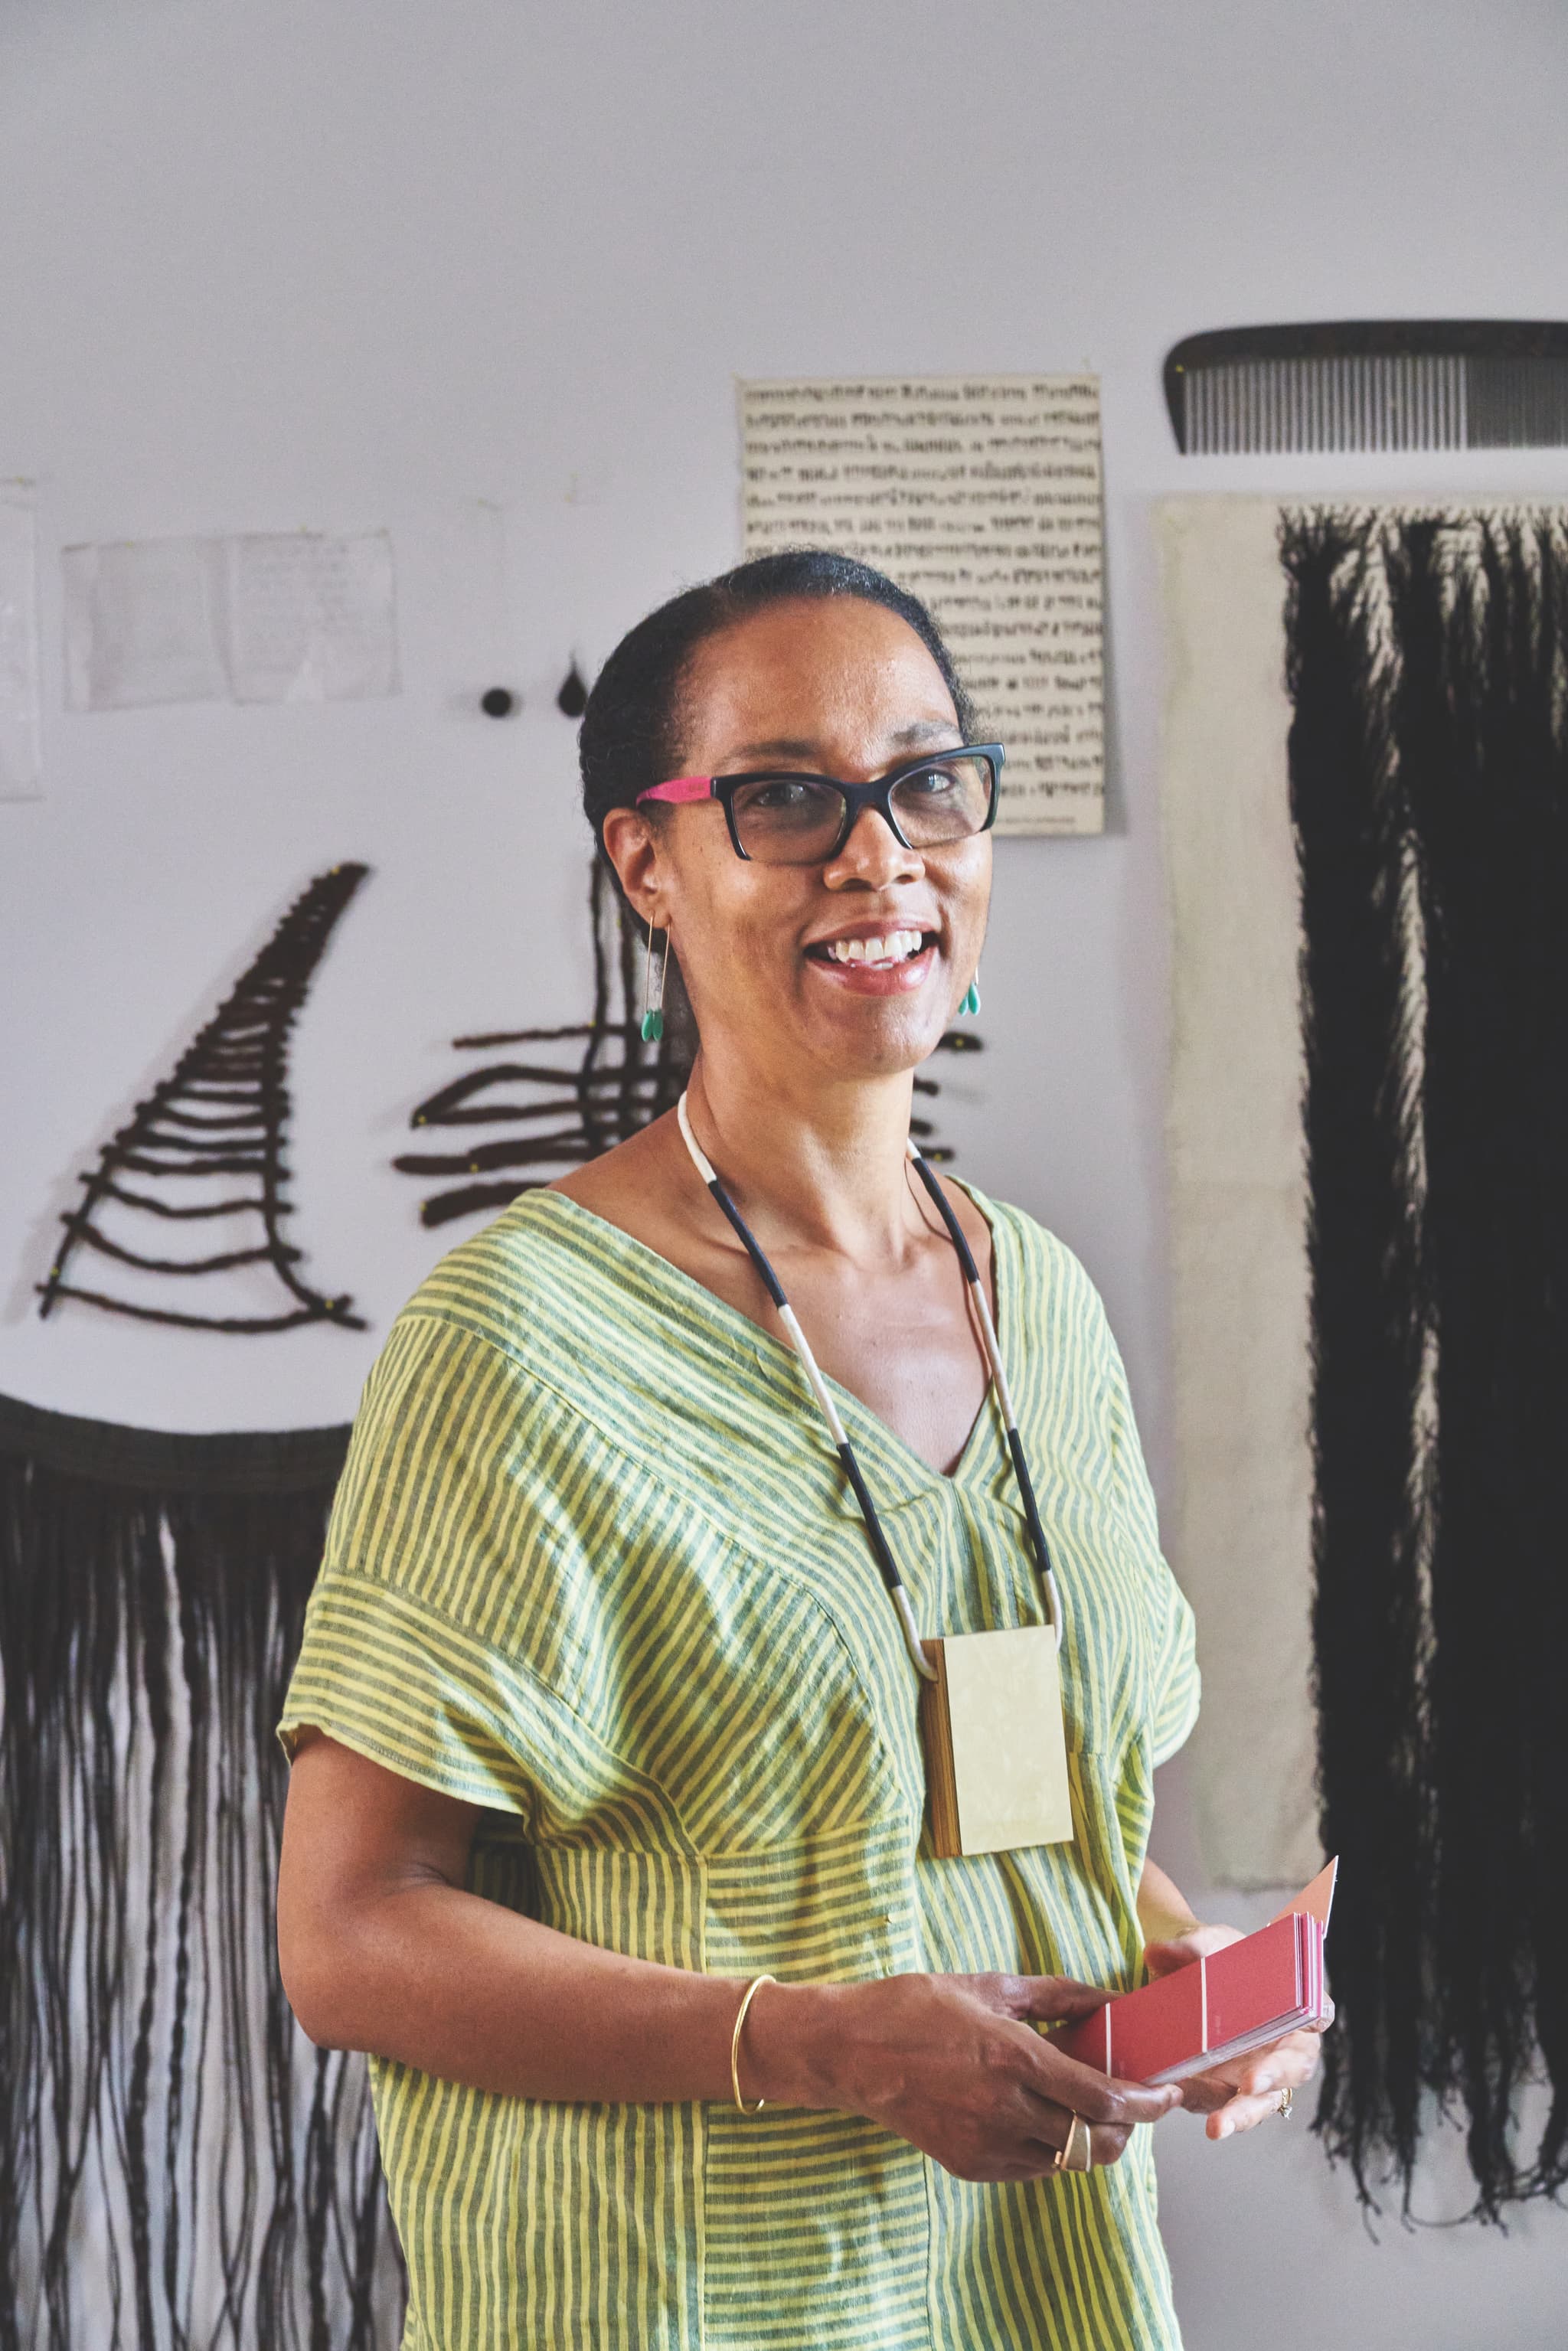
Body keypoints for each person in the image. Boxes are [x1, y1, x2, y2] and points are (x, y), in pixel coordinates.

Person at [276, 550, 1328, 2351]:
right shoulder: (522, 1337)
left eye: (927, 781)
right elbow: (351, 1937)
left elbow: (991, 1805)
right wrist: (812, 2040)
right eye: (786, 797)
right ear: (646, 863)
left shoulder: (1044, 1307)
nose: (880, 854)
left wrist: (1170, 1959)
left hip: (1032, 2294)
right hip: (681, 2302)